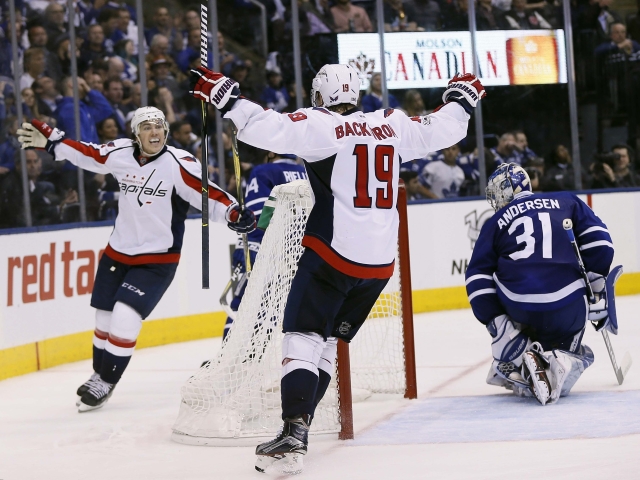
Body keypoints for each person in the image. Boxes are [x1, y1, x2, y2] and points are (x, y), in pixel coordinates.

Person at [189, 63, 485, 472]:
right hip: (380, 264)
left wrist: (228, 100)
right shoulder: (391, 123)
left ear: (318, 96)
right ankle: (298, 432)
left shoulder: (320, 125)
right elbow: (445, 128)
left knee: (300, 337)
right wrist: (459, 101)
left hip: (332, 254)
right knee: (326, 343)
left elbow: (264, 127)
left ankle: (294, 436)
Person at [16, 107, 256, 412]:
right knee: (103, 318)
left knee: (124, 317)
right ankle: (98, 374)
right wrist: (55, 144)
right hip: (118, 251)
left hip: (157, 260)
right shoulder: (120, 152)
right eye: (147, 127)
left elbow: (207, 194)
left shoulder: (178, 163)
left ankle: (106, 381)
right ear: (135, 133)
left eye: (159, 126)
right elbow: (89, 154)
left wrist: (232, 212)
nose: (155, 132)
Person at [465, 163, 615, 405]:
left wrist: (495, 322)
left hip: (521, 310)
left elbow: (476, 278)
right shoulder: (567, 201)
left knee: (495, 277)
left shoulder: (494, 222)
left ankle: (518, 354)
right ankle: (565, 358)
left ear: (505, 191)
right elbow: (602, 247)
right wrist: (596, 283)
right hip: (569, 309)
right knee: (581, 351)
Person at [222, 152, 308, 340]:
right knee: (270, 306)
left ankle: (226, 360)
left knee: (241, 304)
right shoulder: (306, 173)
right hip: (293, 254)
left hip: (257, 249)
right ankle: (256, 355)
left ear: (271, 152)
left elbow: (259, 216)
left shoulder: (264, 171)